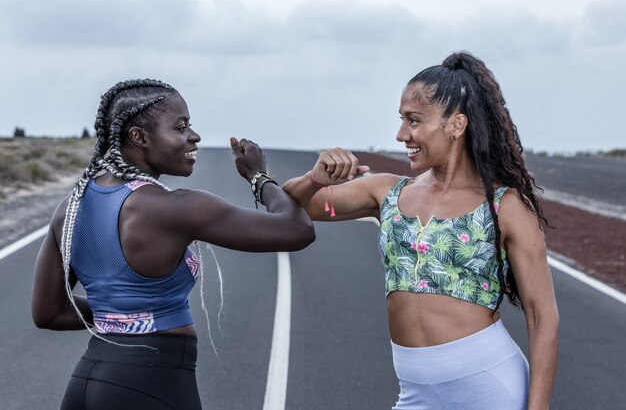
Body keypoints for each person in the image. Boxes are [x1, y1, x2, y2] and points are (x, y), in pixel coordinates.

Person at [283, 52, 559, 410]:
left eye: (413, 121)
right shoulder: (387, 192)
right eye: (401, 120)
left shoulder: (504, 206)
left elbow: (543, 315)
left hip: (488, 389)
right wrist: (314, 179)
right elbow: (295, 205)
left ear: (456, 125)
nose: (401, 135)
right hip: (416, 394)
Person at [31, 79, 315, 410]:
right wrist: (258, 177)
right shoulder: (176, 207)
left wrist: (120, 316)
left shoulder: (71, 207)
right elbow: (296, 229)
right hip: (153, 384)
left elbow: (48, 313)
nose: (194, 136)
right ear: (139, 137)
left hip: (86, 382)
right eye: (180, 127)